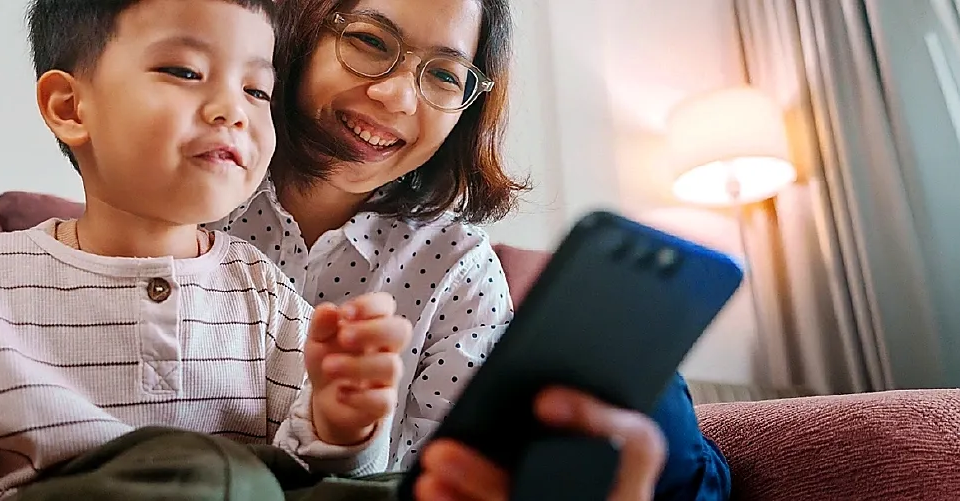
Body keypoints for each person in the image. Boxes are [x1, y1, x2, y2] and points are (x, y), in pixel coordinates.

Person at [0, 1, 416, 499]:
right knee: (213, 478)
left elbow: (316, 477)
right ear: (70, 107)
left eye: (256, 89)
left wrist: (343, 422)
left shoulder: (264, 296)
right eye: (185, 71)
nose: (231, 110)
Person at [211, 0, 733, 499]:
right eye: (370, 41)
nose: (398, 97)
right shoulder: (191, 192)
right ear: (301, 31)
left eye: (444, 75)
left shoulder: (459, 268)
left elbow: (432, 478)